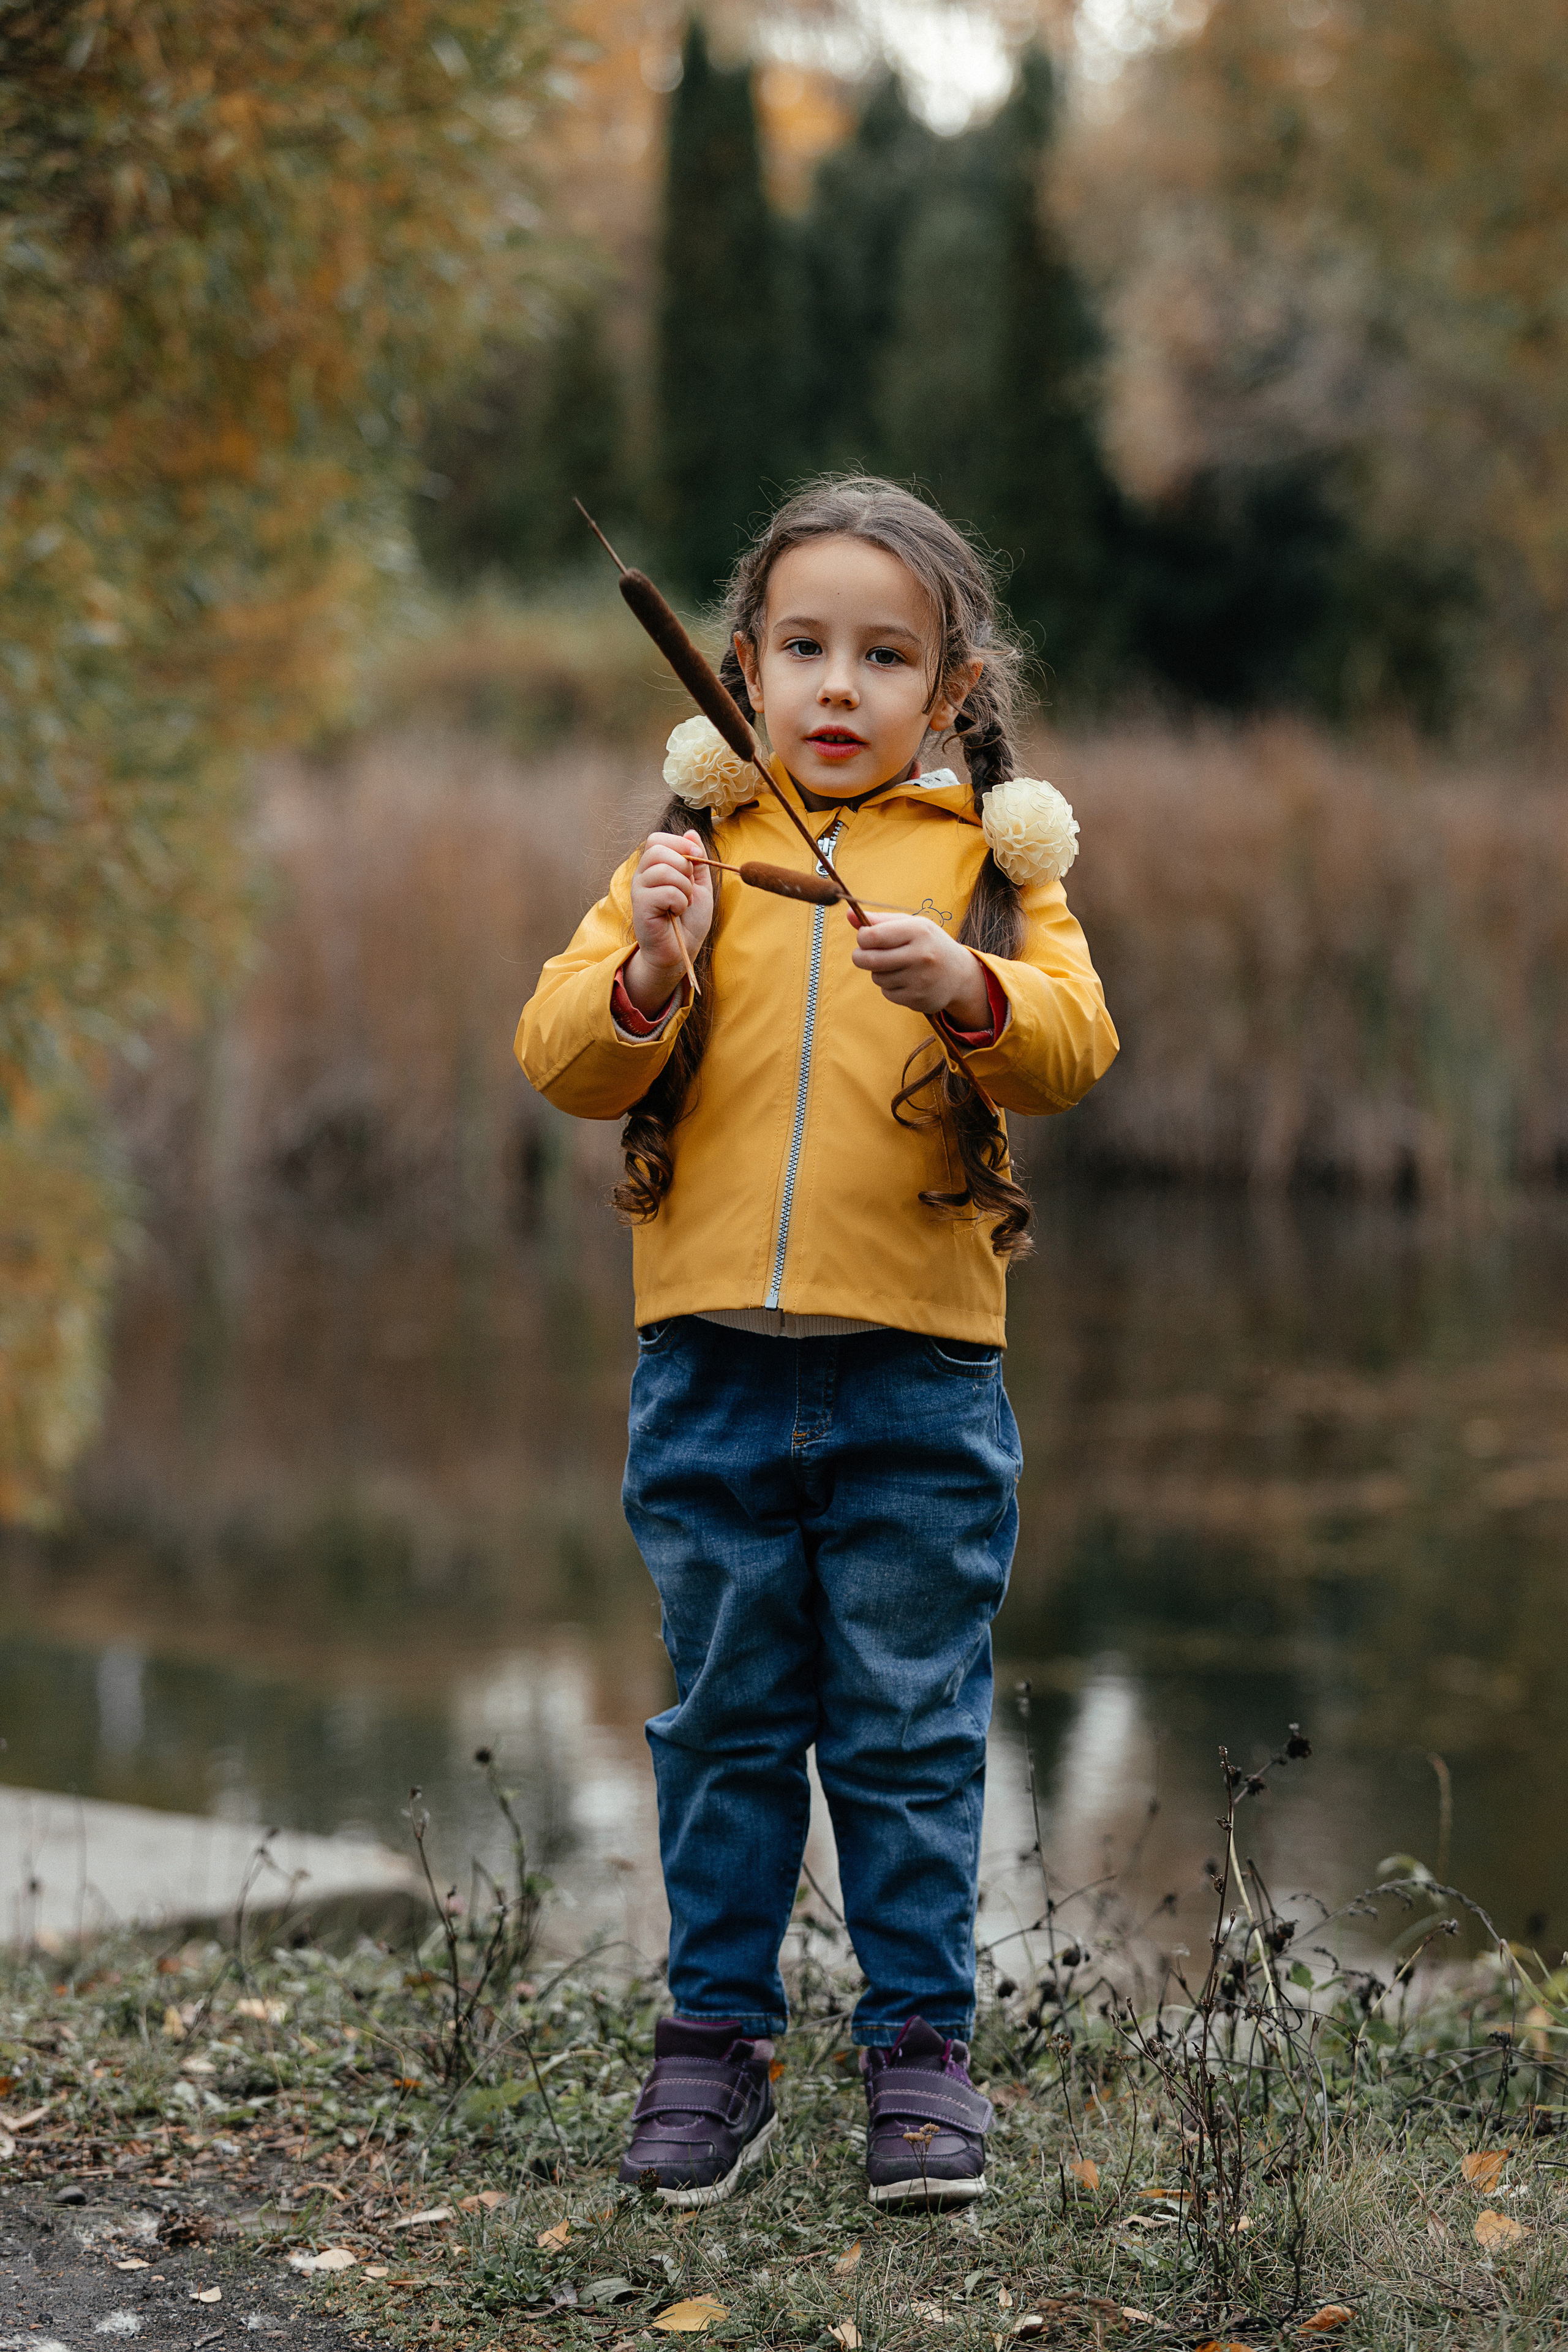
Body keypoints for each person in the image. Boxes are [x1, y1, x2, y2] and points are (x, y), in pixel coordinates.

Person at [515, 476, 1118, 2209]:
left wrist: (974, 993)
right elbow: (560, 1055)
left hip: (920, 1377)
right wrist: (645, 969)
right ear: (744, 668)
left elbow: (1077, 1045)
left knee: (911, 1726)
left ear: (952, 690)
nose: (837, 686)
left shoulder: (993, 863)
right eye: (802, 648)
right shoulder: (686, 860)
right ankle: (717, 2045)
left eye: (883, 655)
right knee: (722, 1720)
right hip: (707, 1371)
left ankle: (919, 2056)